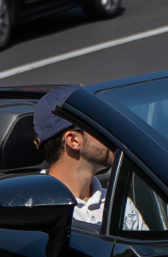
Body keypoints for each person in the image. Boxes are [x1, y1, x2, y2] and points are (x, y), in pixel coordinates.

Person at [31, 85, 116, 228]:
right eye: (101, 125)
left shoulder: (119, 202)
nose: (112, 133)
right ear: (74, 140)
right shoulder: (36, 211)